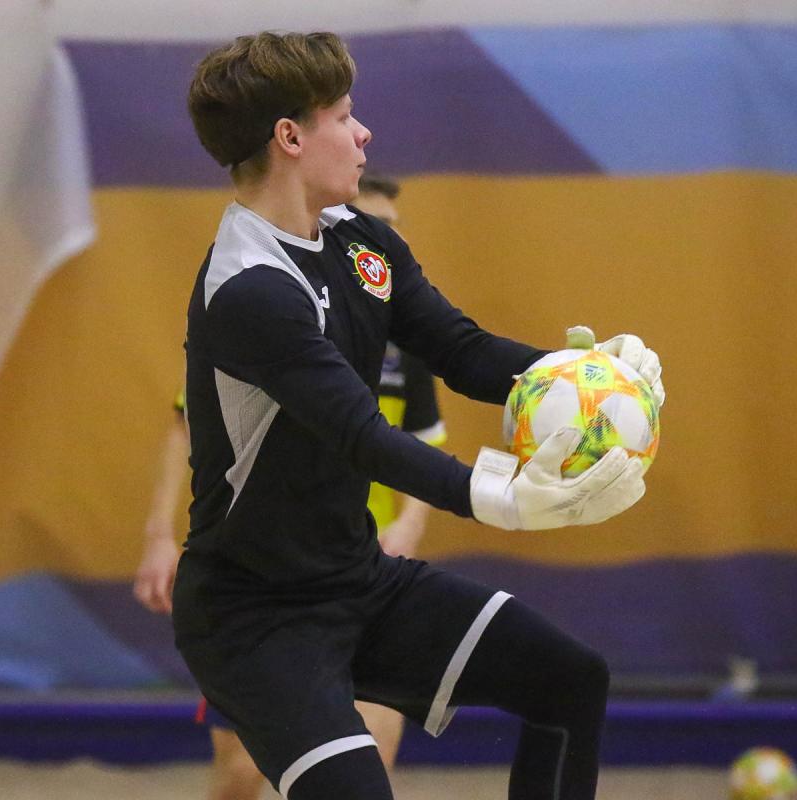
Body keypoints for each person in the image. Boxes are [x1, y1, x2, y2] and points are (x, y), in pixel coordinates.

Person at [170, 31, 664, 800]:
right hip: (255, 618)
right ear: (291, 137)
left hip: (358, 580)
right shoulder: (248, 289)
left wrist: (587, 373)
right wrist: (498, 497)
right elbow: (361, 435)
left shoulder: (362, 241)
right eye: (344, 116)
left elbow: (462, 351)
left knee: (571, 681)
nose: (363, 133)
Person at [133, 173, 448, 799]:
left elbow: (422, 445)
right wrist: (159, 535)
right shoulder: (265, 309)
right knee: (243, 774)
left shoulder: (404, 343)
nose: (385, 241)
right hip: (261, 576)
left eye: (393, 227)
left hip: (364, 574)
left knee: (370, 766)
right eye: (369, 225)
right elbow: (185, 429)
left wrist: (410, 525)